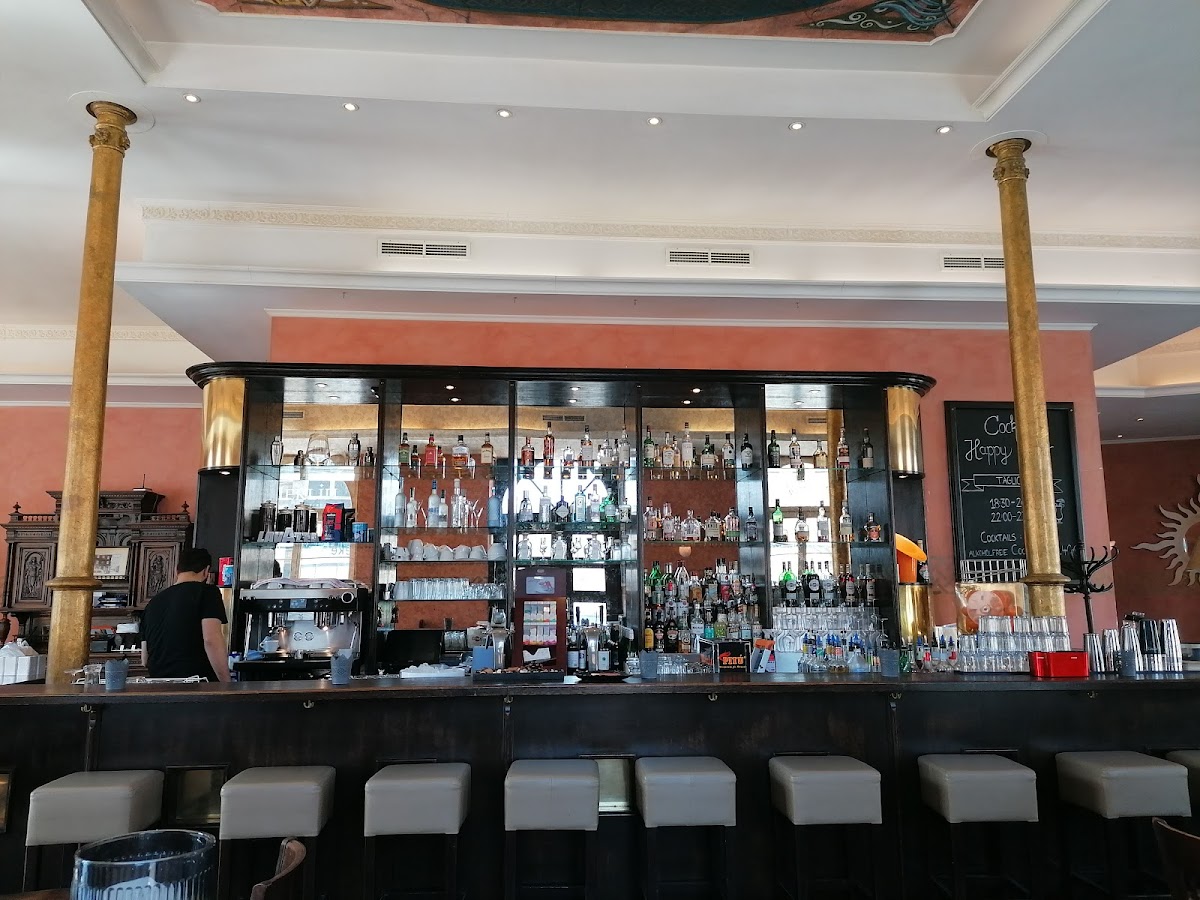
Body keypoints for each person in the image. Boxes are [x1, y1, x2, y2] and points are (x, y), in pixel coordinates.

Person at [141, 547, 231, 682]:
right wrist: (226, 682)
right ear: (206, 571)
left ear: (176, 571)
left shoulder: (152, 603)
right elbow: (211, 640)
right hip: (196, 684)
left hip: (159, 686)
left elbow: (144, 659)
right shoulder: (207, 593)